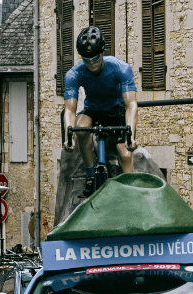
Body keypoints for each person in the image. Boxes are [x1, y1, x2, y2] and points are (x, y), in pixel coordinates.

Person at [62, 26, 138, 196]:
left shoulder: (120, 68)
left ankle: (132, 193)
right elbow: (69, 109)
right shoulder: (74, 74)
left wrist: (131, 135)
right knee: (81, 127)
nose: (92, 63)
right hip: (93, 109)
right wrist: (68, 134)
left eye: (95, 58)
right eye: (87, 59)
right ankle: (90, 175)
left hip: (116, 108)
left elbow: (131, 104)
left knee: (125, 153)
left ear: (102, 53)